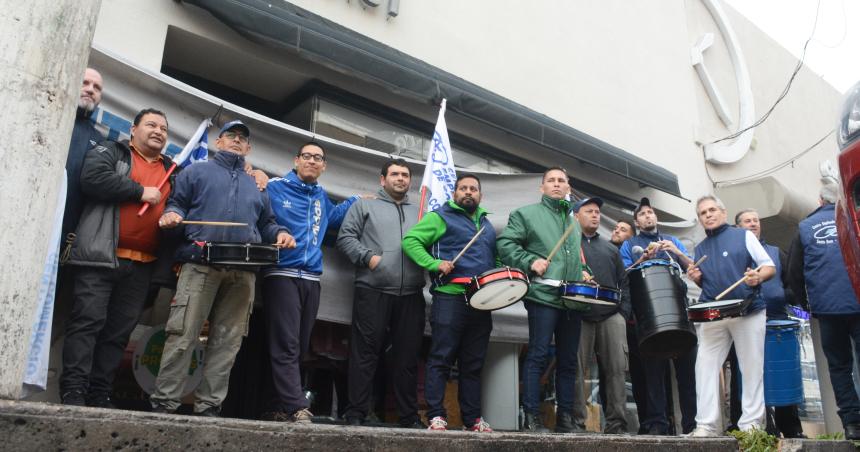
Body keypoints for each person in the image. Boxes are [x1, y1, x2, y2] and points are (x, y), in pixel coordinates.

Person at [150, 120, 293, 416]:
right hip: (200, 265)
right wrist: (172, 216)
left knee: (227, 342)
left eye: (243, 138)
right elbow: (176, 204)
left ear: (249, 148)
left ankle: (209, 407)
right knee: (182, 335)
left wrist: (280, 233)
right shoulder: (196, 171)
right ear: (219, 142)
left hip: (243, 272)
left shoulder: (257, 184)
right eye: (231, 136)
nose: (237, 141)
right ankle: (164, 405)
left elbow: (267, 223)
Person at [60, 108, 174, 407]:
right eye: (151, 125)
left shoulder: (173, 170)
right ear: (133, 129)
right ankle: (74, 391)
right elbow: (93, 179)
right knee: (87, 324)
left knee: (118, 334)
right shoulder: (112, 150)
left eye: (163, 128)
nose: (158, 131)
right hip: (99, 256)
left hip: (143, 266)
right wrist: (140, 192)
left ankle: (100, 393)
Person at [262, 142, 359, 423]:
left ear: (324, 166)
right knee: (287, 344)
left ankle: (277, 404)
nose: (312, 161)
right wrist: (254, 172)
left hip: (312, 278)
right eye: (307, 156)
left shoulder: (320, 195)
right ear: (296, 160)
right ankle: (295, 405)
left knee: (301, 346)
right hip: (281, 273)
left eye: (318, 158)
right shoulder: (276, 186)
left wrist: (357, 201)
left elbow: (332, 218)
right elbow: (259, 210)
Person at [402, 174, 495, 433]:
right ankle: (436, 415)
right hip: (450, 297)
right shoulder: (439, 217)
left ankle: (473, 419)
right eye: (463, 188)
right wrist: (434, 264)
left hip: (481, 301)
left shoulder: (486, 226)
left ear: (480, 195)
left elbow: (494, 262)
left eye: (473, 189)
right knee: (440, 358)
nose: (468, 192)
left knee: (473, 363)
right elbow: (410, 241)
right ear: (454, 194)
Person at [337, 159, 426, 428]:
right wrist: (368, 258)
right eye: (395, 174)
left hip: (411, 293)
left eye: (405, 175)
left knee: (407, 358)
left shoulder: (421, 212)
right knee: (365, 354)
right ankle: (356, 413)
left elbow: (431, 246)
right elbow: (345, 238)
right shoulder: (364, 205)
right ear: (382, 179)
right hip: (372, 289)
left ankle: (409, 417)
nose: (400, 178)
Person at [496, 167, 584, 433]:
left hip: (572, 299)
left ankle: (565, 417)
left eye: (562, 181)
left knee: (568, 361)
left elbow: (575, 258)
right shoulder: (526, 214)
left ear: (568, 187)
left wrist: (585, 273)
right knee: (537, 356)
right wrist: (529, 261)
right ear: (542, 187)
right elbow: (505, 245)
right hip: (543, 295)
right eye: (551, 181)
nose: (557, 184)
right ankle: (532, 417)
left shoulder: (574, 221)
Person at [686, 195, 775, 437]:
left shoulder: (743, 235)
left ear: (723, 213)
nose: (708, 215)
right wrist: (697, 278)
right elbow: (708, 280)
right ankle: (706, 425)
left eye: (712, 210)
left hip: (748, 309)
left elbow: (768, 266)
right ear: (700, 219)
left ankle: (752, 426)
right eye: (703, 213)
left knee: (751, 367)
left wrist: (758, 277)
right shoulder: (701, 248)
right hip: (714, 313)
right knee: (704, 365)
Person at [786, 181, 860, 440]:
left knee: (840, 367)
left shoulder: (805, 228)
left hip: (828, 309)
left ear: (819, 200)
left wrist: (806, 307)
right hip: (858, 301)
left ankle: (852, 424)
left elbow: (793, 273)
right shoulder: (853, 219)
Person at [620, 197, 697, 435]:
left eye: (650, 212)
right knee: (653, 375)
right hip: (649, 317)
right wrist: (642, 258)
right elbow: (623, 275)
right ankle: (658, 424)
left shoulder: (672, 241)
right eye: (642, 214)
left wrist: (675, 251)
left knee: (687, 375)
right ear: (637, 221)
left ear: (656, 217)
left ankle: (692, 425)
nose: (647, 216)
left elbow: (693, 269)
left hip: (678, 313)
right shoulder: (629, 245)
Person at [732, 209, 804, 438]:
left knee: (781, 375)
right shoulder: (733, 253)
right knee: (746, 376)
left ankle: (790, 428)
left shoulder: (775, 252)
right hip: (743, 321)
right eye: (747, 221)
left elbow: (790, 282)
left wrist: (783, 296)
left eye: (756, 220)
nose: (753, 223)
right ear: (737, 227)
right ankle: (753, 428)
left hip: (776, 321)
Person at [570, 197, 631, 434]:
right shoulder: (570, 245)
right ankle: (577, 423)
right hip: (579, 314)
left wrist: (623, 313)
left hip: (611, 316)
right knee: (576, 370)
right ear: (576, 216)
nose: (595, 215)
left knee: (616, 370)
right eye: (589, 211)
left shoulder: (610, 248)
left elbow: (624, 283)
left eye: (597, 212)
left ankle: (617, 424)